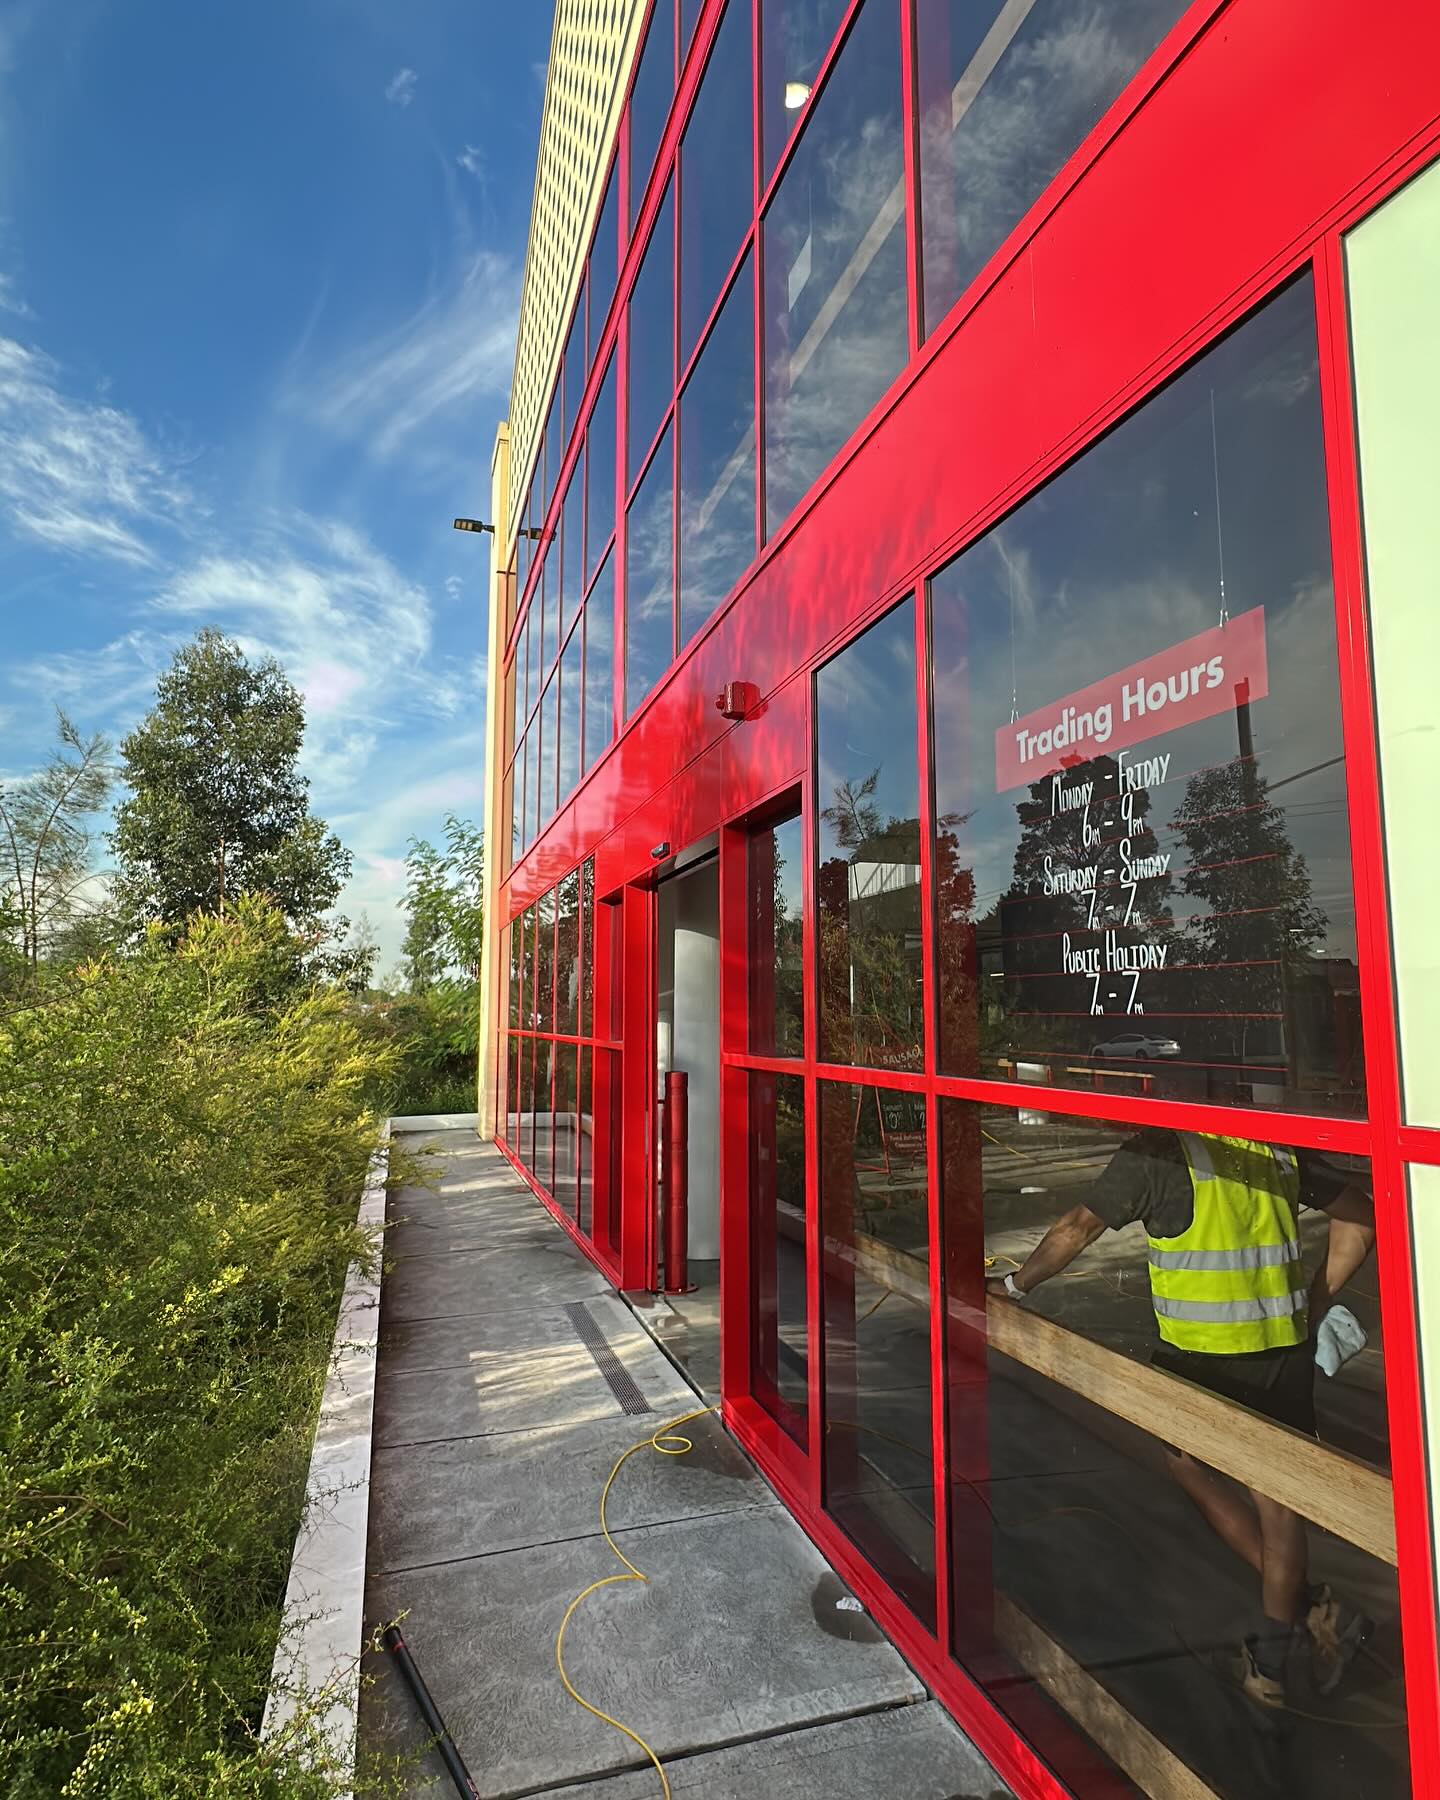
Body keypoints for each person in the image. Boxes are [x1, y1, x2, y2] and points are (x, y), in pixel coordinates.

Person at [985, 1127, 1376, 1708]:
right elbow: (1361, 1217)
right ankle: (1295, 1629)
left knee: (1194, 1470)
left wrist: (1013, 1286)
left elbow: (1077, 1228)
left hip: (1201, 1361)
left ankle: (1282, 1649)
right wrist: (1314, 1301)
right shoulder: (1270, 1145)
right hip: (1279, 1352)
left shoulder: (1160, 1150)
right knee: (1276, 1506)